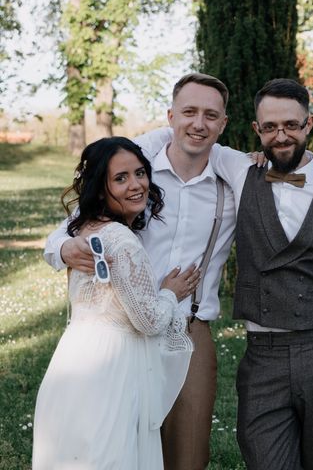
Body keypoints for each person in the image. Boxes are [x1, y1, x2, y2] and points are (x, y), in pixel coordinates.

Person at [143, 78, 313, 469]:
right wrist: (133, 149)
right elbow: (184, 135)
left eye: (290, 125)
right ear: (256, 130)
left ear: (309, 124)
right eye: (269, 127)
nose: (280, 136)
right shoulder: (237, 168)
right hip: (262, 356)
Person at [43, 73, 237, 469]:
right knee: (125, 444)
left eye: (210, 115)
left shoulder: (232, 183)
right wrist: (64, 249)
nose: (198, 124)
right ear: (171, 115)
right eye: (189, 112)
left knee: (187, 453)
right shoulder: (135, 174)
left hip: (189, 328)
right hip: (129, 336)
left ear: (223, 123)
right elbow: (63, 234)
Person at [33, 137, 195, 468]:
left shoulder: (88, 229)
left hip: (74, 357)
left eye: (139, 173)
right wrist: (170, 292)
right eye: (120, 178)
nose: (136, 185)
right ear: (100, 188)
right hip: (112, 369)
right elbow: (148, 322)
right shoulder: (122, 241)